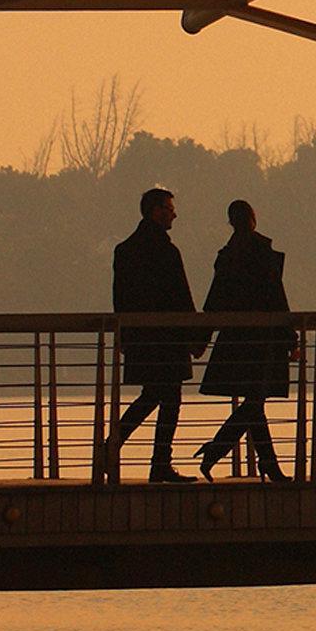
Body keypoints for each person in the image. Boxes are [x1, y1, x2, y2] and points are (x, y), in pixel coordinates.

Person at [101, 187, 199, 482]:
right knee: (168, 398)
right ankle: (157, 462)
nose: (174, 214)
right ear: (155, 211)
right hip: (169, 340)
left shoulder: (125, 250)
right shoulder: (167, 251)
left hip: (141, 339)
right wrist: (195, 336)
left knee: (153, 394)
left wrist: (126, 337)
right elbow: (181, 297)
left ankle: (113, 448)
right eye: (169, 209)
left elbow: (120, 299)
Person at [194, 198, 296, 479]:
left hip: (236, 340)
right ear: (253, 218)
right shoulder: (263, 253)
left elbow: (214, 301)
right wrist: (290, 338)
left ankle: (225, 453)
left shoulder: (227, 255)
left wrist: (202, 337)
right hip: (264, 340)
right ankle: (224, 453)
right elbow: (277, 298)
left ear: (231, 222)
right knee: (255, 403)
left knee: (254, 404)